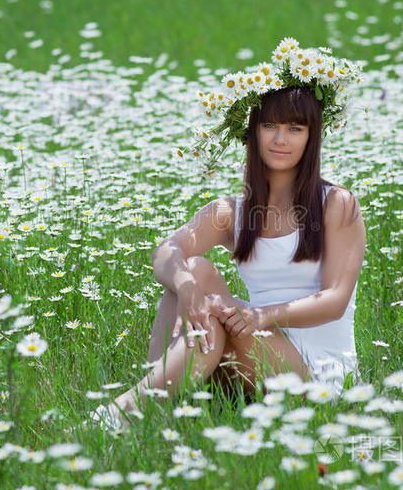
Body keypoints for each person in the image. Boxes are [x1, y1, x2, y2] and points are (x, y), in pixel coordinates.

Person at [89, 40, 366, 430]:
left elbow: (335, 300)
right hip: (251, 348)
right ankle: (151, 401)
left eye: (294, 128)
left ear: (311, 136)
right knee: (195, 270)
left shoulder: (337, 205)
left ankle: (124, 413)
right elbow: (166, 250)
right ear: (251, 132)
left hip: (313, 373)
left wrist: (261, 315)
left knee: (213, 306)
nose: (280, 139)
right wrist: (185, 286)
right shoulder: (231, 212)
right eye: (269, 125)